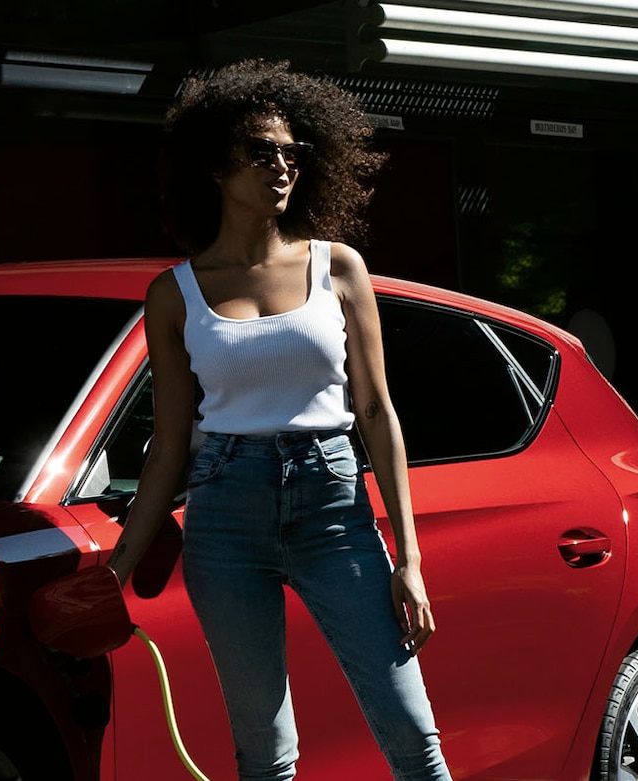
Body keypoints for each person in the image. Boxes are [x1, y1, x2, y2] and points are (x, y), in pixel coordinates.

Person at [98, 59, 450, 781]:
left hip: (334, 505)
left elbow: (379, 412)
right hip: (224, 513)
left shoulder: (340, 268)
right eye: (263, 150)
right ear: (218, 168)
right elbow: (169, 446)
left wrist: (409, 560)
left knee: (414, 737)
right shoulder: (174, 293)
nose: (283, 165)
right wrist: (118, 568)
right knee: (265, 756)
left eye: (295, 151)